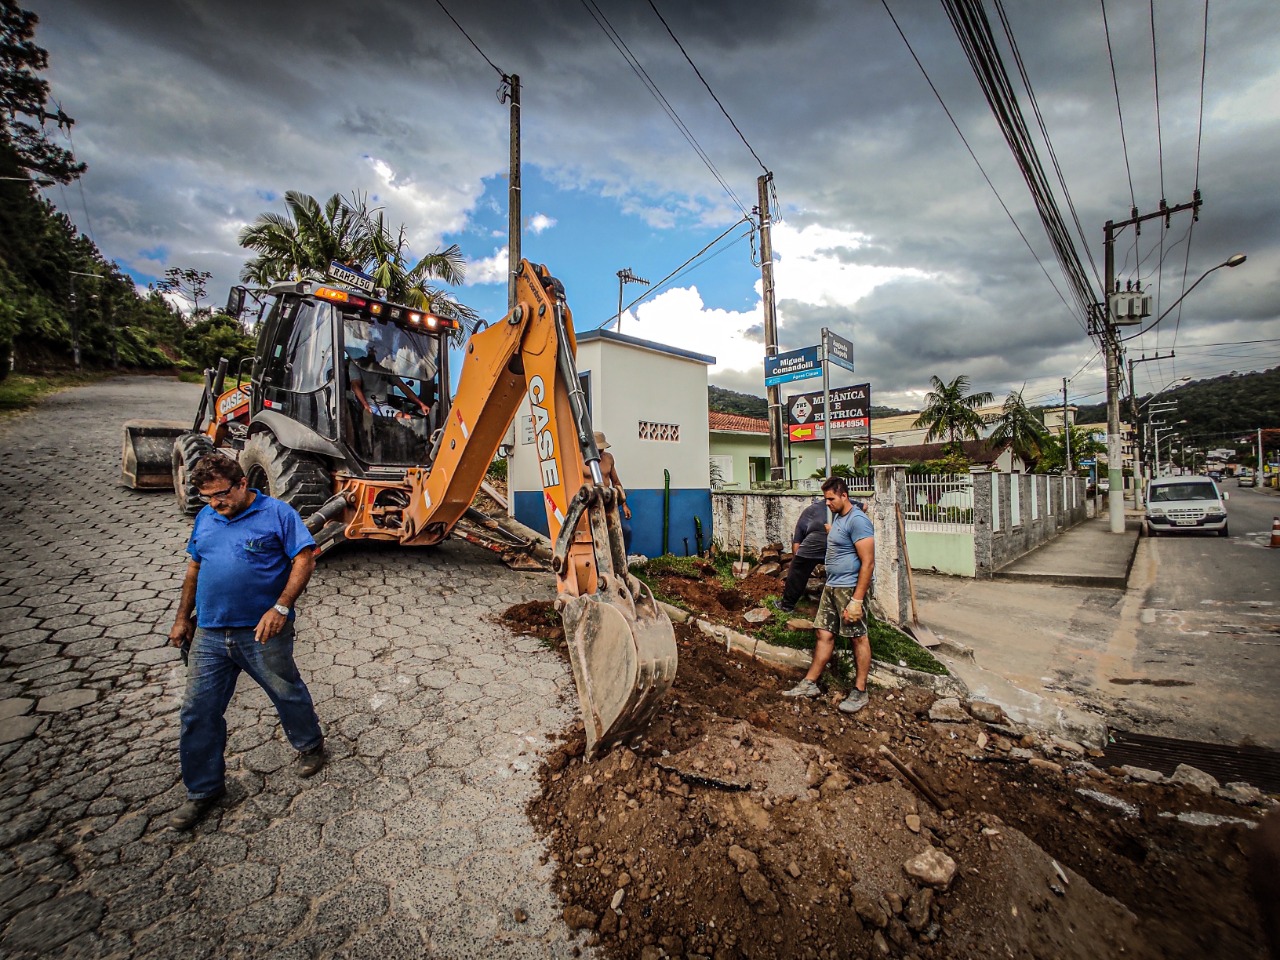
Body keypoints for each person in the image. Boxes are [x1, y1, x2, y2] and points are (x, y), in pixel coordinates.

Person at [167, 454, 325, 830]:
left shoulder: (278, 514)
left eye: (220, 495)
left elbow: (305, 559)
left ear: (241, 484)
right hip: (209, 631)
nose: (214, 504)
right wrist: (182, 618)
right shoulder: (207, 516)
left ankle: (310, 745)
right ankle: (204, 790)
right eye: (206, 497)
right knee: (197, 711)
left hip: (261, 630)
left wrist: (281, 608)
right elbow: (195, 567)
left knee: (286, 691)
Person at [780, 475, 875, 714]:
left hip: (849, 588)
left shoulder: (858, 521)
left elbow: (868, 563)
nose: (827, 503)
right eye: (825, 499)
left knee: (858, 637)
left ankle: (860, 690)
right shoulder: (839, 519)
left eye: (831, 498)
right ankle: (810, 683)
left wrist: (857, 600)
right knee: (823, 633)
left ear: (844, 495)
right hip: (832, 586)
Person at [349, 345, 431, 420]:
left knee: (408, 418)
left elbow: (403, 387)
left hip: (383, 406)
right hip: (364, 406)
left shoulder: (385, 368)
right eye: (371, 351)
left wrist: (421, 404)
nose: (374, 354)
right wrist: (365, 405)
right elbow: (355, 385)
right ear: (366, 351)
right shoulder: (356, 364)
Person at [779, 497, 828, 612]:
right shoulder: (847, 504)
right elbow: (865, 506)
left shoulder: (809, 511)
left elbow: (797, 541)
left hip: (814, 544)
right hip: (839, 544)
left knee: (798, 569)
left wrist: (796, 562)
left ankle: (787, 605)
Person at [595, 431, 632, 553]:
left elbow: (616, 482)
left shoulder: (608, 458)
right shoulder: (582, 460)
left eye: (602, 448)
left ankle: (621, 564)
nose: (600, 451)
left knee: (625, 530)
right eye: (598, 448)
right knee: (598, 534)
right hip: (591, 504)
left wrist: (624, 504)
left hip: (608, 502)